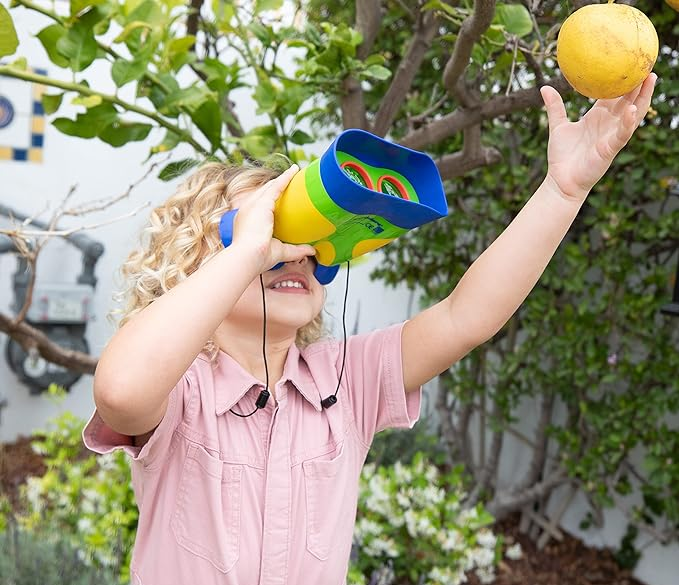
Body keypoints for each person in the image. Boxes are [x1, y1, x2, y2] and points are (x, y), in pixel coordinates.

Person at [83, 73, 657, 585]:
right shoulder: (182, 391)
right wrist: (247, 251)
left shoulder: (344, 383)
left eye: (307, 244)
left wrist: (564, 189)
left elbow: (467, 317)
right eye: (267, 238)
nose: (294, 256)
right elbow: (121, 392)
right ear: (195, 265)